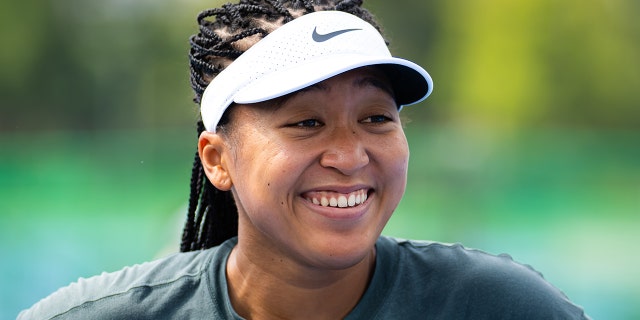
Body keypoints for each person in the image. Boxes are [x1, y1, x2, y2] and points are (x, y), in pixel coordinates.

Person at [18, 0, 590, 319]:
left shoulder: (498, 307)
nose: (348, 155)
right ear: (218, 160)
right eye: (306, 123)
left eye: (375, 118)